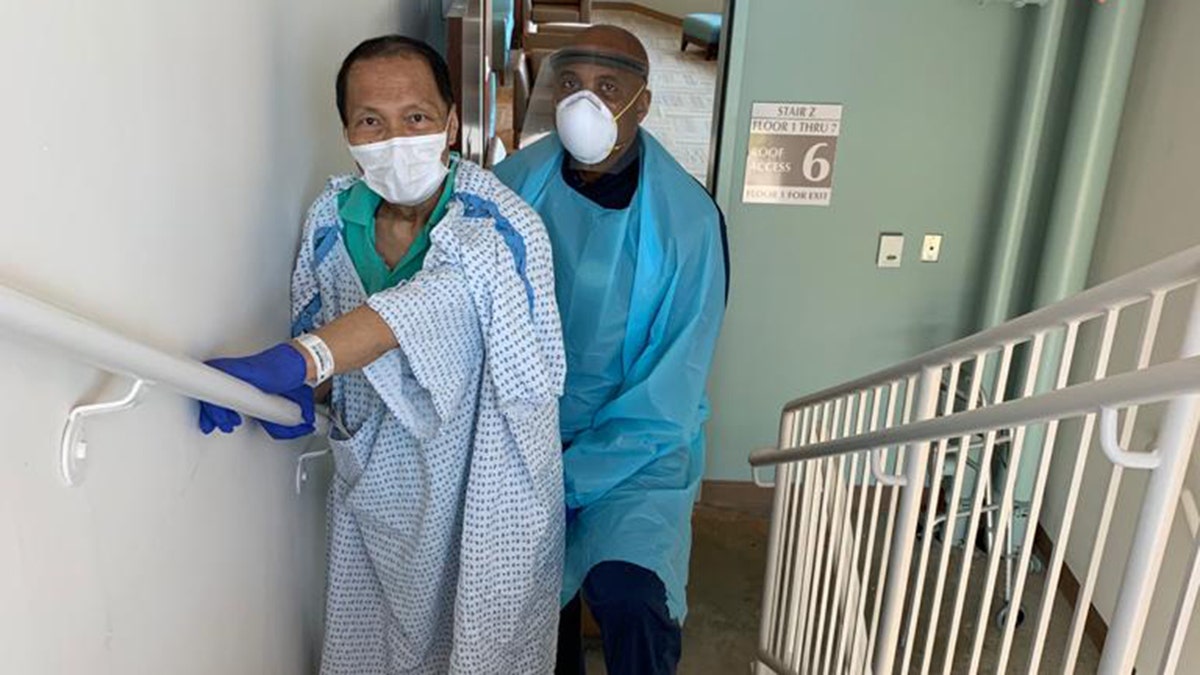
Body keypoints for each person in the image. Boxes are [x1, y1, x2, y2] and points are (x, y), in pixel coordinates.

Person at [195, 35, 566, 675]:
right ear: (347, 131)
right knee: (374, 650)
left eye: (416, 118)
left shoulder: (499, 223)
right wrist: (294, 395)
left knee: (483, 652)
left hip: (489, 496)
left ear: (451, 122)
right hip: (381, 495)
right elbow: (323, 336)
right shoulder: (331, 221)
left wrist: (295, 360)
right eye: (372, 121)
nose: (395, 139)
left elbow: (435, 302)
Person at [494, 25, 729, 675]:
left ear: (643, 104)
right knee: (530, 609)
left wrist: (566, 478)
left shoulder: (688, 223)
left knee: (632, 596)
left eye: (607, 87)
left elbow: (670, 394)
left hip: (638, 453)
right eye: (569, 84)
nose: (583, 103)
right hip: (523, 438)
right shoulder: (509, 187)